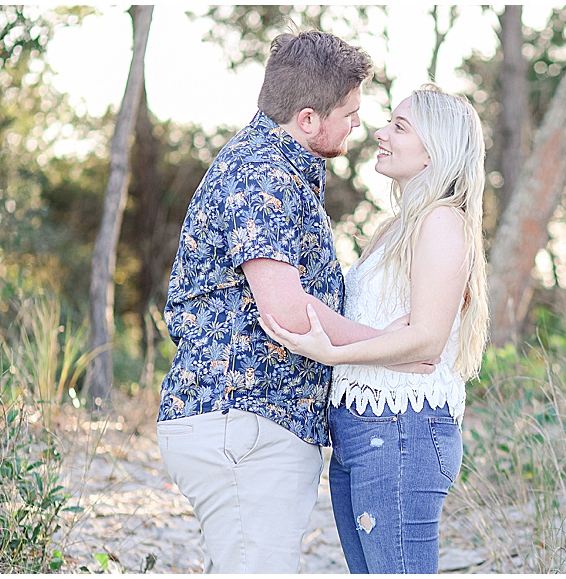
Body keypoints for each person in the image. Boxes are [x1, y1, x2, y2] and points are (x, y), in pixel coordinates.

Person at [156, 31, 433, 574]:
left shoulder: (279, 170)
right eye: (349, 114)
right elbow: (285, 312)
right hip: (245, 423)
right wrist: (392, 348)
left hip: (255, 424)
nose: (359, 125)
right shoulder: (263, 176)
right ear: (308, 119)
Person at [260, 84, 490, 574]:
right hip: (362, 426)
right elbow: (385, 331)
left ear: (437, 149)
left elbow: (427, 339)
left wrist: (332, 354)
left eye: (400, 126)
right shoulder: (396, 228)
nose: (381, 133)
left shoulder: (442, 222)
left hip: (402, 427)